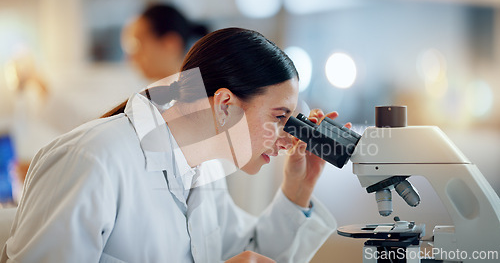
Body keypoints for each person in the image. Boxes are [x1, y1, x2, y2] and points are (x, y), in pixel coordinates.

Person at [1, 28, 349, 262]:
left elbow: (248, 253)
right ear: (225, 104)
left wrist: (296, 189)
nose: (288, 136)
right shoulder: (92, 159)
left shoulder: (205, 167)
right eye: (279, 117)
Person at [121, 3, 208, 81]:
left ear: (170, 44)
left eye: (135, 46)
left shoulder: (202, 96)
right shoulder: (157, 96)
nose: (130, 57)